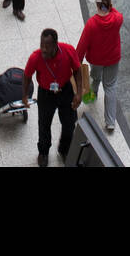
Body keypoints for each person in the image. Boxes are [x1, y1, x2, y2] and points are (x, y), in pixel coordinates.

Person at [23, 28, 83, 166]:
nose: (43, 49)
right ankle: (43, 152)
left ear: (56, 44)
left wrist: (78, 93)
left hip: (65, 90)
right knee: (44, 124)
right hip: (45, 94)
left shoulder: (68, 50)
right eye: (41, 45)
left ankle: (64, 149)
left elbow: (77, 71)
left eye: (47, 46)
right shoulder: (35, 57)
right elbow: (27, 76)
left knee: (69, 123)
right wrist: (25, 96)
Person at [75, 0, 123, 133]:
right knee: (110, 86)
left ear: (97, 5)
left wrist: (77, 62)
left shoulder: (91, 24)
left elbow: (82, 45)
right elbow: (115, 12)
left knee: (95, 77)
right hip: (113, 59)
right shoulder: (117, 19)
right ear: (110, 5)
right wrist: (110, 8)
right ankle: (110, 122)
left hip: (96, 60)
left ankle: (93, 94)